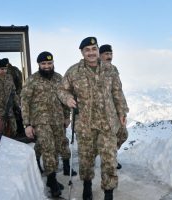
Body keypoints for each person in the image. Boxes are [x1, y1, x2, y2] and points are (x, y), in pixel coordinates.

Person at [57, 37, 129, 200]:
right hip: (85, 124)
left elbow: (117, 92)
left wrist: (122, 113)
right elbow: (61, 89)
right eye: (87, 50)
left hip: (108, 123)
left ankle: (108, 193)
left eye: (94, 49)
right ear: (82, 52)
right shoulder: (74, 71)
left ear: (97, 50)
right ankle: (87, 186)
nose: (91, 52)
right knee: (86, 159)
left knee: (110, 160)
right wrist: (67, 98)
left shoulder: (110, 69)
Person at [21, 51, 75, 197]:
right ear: (39, 64)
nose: (46, 66)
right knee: (49, 149)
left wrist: (66, 117)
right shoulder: (32, 80)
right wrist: (27, 124)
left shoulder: (59, 78)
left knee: (57, 147)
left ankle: (42, 164)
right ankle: (52, 182)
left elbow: (65, 99)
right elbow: (25, 102)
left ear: (53, 63)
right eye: (43, 64)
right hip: (40, 121)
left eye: (49, 63)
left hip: (57, 121)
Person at [99, 44, 129, 170]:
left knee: (123, 134)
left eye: (110, 54)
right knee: (107, 138)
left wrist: (122, 111)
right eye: (106, 54)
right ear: (100, 55)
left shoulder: (113, 69)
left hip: (114, 110)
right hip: (100, 113)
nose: (109, 56)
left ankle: (110, 154)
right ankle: (109, 157)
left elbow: (118, 91)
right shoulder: (96, 69)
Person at [0, 59, 19, 137]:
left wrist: (19, 106)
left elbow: (13, 93)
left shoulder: (9, 77)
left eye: (5, 69)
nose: (4, 71)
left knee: (13, 132)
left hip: (9, 112)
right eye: (1, 69)